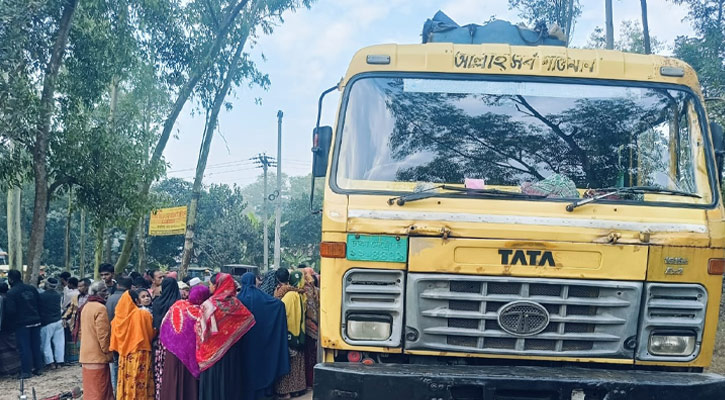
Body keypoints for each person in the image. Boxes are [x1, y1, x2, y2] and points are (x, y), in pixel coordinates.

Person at [198, 273, 255, 400]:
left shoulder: (208, 305)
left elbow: (201, 331)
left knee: (214, 384)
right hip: (231, 350)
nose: (210, 287)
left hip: (211, 352)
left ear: (217, 285)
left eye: (211, 284)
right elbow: (248, 319)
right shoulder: (236, 304)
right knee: (230, 380)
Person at [237, 272, 290, 400]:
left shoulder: (238, 299)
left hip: (243, 343)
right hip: (261, 341)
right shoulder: (262, 297)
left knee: (244, 367)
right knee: (261, 365)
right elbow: (278, 305)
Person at [159, 285, 211, 400]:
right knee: (189, 385)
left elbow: (164, 326)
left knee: (172, 380)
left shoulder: (177, 305)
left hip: (172, 353)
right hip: (191, 355)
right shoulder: (202, 313)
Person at [111, 291, 155, 400]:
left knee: (126, 381)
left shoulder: (117, 319)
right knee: (140, 382)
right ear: (136, 301)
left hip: (124, 355)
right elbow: (150, 334)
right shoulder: (143, 314)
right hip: (141, 353)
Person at [6, 269, 44, 378]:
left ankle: (26, 371)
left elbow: (10, 311)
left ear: (10, 279)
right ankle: (39, 368)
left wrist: (10, 325)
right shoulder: (31, 289)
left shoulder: (11, 293)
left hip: (22, 324)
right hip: (36, 321)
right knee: (36, 346)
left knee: (24, 347)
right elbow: (39, 304)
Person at [275, 270, 307, 399]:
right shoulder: (300, 294)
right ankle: (297, 389)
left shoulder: (288, 296)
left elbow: (284, 313)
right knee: (298, 364)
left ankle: (286, 391)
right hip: (300, 334)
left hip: (289, 333)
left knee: (288, 364)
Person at [80, 281, 114, 400]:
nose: (107, 293)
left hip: (86, 355)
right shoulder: (100, 308)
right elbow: (103, 335)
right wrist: (108, 352)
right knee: (99, 391)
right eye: (104, 291)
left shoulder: (86, 306)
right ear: (97, 293)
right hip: (97, 356)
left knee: (90, 391)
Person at [152, 277, 180, 400]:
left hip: (161, 341)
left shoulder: (157, 303)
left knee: (160, 369)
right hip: (176, 343)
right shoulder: (179, 303)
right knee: (172, 370)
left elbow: (155, 324)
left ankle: (160, 394)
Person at [106, 276, 131, 393]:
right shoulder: (128, 298)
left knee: (115, 365)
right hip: (126, 338)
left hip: (113, 336)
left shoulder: (110, 299)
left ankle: (116, 390)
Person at [39, 277, 65, 369]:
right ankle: (60, 362)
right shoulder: (59, 295)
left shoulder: (41, 296)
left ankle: (50, 363)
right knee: (59, 342)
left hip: (47, 322)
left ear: (47, 284)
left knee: (46, 344)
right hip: (59, 320)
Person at [301, 268, 320, 388]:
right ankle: (312, 380)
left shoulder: (303, 291)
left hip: (303, 327)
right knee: (312, 355)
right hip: (315, 326)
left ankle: (306, 380)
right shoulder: (315, 290)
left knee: (305, 355)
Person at [0, 282, 21, 375]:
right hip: (12, 327)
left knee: (4, 350)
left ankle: (6, 369)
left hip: (4, 328)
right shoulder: (10, 298)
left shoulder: (2, 299)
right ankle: (14, 367)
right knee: (13, 348)